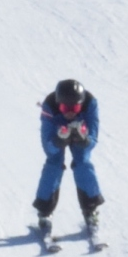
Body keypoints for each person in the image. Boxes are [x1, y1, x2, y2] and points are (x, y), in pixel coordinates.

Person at [35, 78, 102, 238]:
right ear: (59, 104)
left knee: (83, 162)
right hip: (57, 131)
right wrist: (57, 141)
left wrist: (85, 140)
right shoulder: (49, 106)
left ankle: (90, 209)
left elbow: (93, 137)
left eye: (75, 107)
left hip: (81, 132)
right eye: (65, 108)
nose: (70, 112)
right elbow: (48, 146)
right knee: (54, 163)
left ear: (81, 103)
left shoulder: (90, 104)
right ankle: (45, 212)